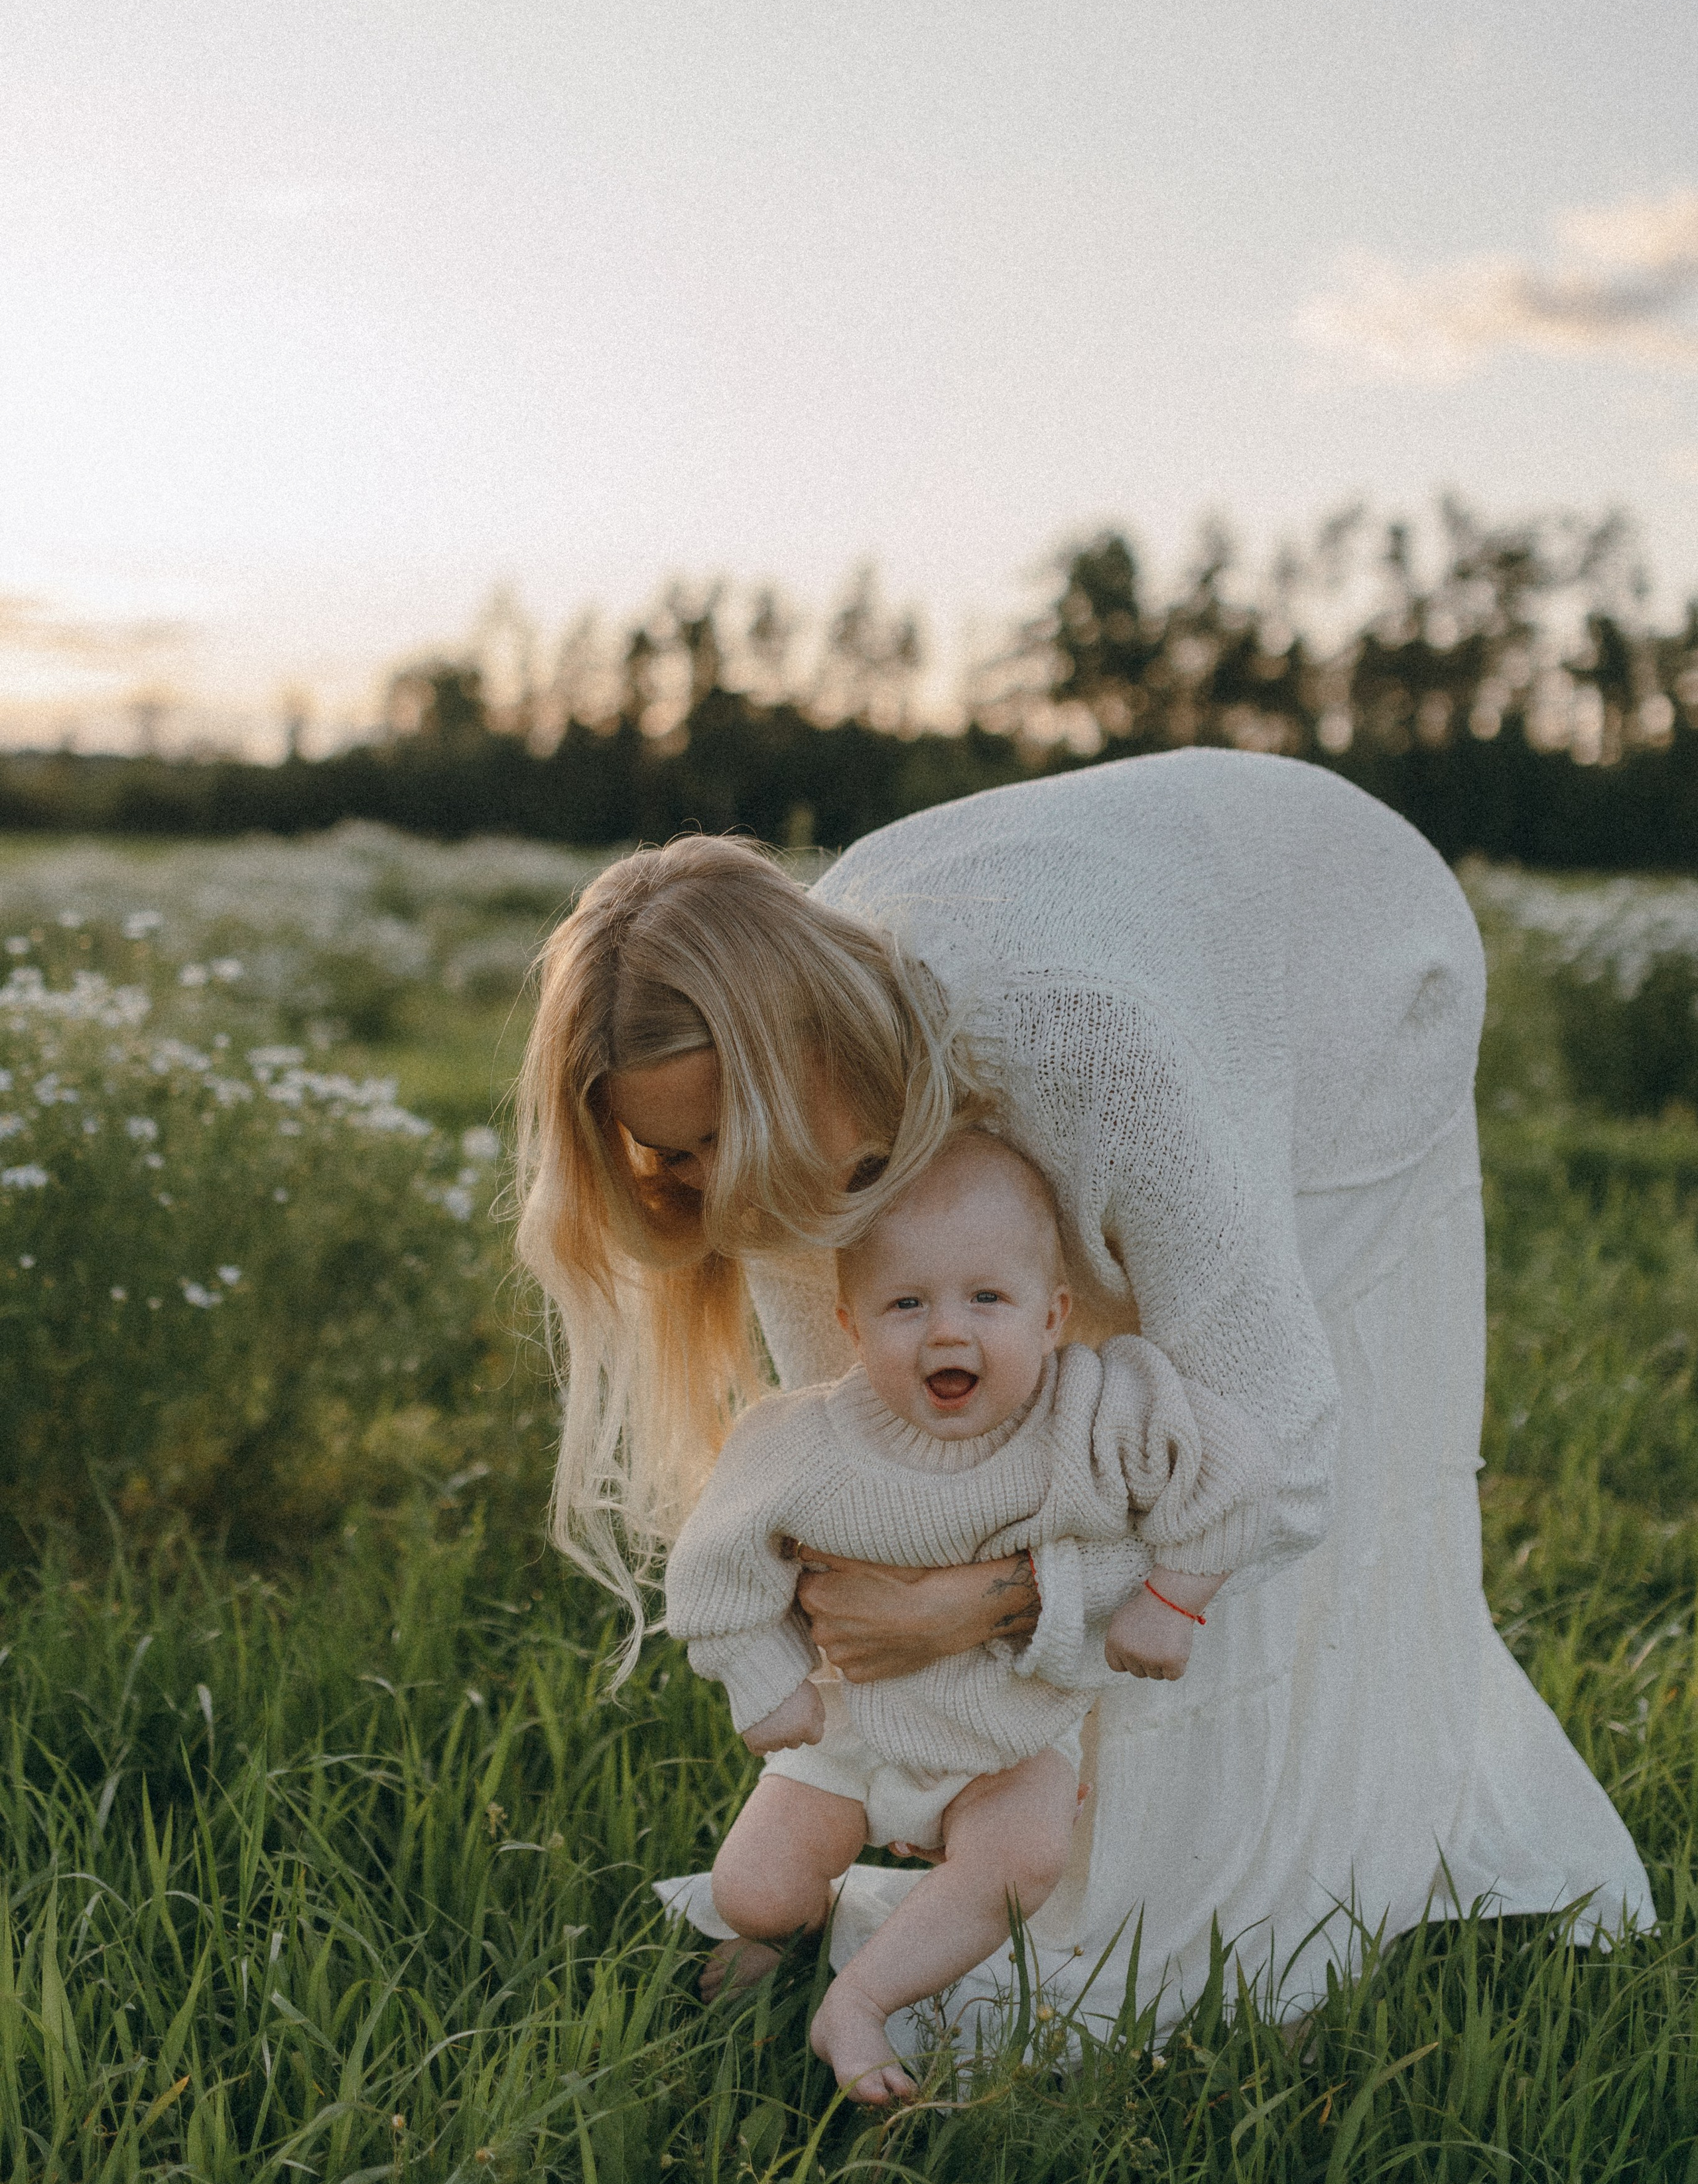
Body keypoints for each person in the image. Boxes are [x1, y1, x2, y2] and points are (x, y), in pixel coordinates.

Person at [516, 748, 1653, 2050]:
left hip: (1334, 945)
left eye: (728, 1132)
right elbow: (871, 1442)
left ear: (800, 1056)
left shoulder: (1086, 1045)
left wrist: (997, 1599)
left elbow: (1278, 1445)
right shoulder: (771, 1138)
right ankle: (1061, 1838)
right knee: (1042, 1412)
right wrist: (883, 1640)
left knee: (1212, 1436)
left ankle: (1290, 1874)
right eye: (676, 1152)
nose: (719, 1186)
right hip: (1113, 922)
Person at [666, 1129, 1269, 2100]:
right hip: (856, 1725)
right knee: (756, 1891)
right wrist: (762, 1681)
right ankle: (782, 1932)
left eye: (988, 1299)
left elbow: (1235, 1471)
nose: (949, 1333)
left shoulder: (1098, 1411)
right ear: (852, 1328)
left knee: (1023, 1853)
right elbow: (712, 1565)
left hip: (1012, 1732)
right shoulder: (803, 1444)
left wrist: (1172, 1598)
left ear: (1053, 1314)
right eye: (907, 1304)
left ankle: (860, 2000)